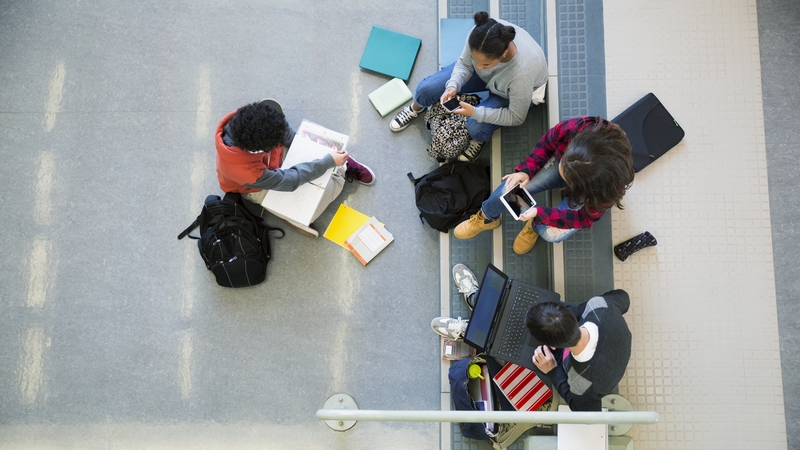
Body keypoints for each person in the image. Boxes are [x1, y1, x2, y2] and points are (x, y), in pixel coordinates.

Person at [454, 116, 635, 254]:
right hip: (579, 171)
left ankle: (534, 225)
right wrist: (526, 170)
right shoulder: (580, 128)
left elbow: (583, 219)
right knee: (510, 187)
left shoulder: (608, 190)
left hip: (588, 191)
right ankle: (486, 218)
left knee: (548, 233)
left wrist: (541, 214)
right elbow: (549, 141)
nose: (560, 169)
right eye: (564, 162)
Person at [390, 11, 548, 162]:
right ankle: (417, 108)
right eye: (476, 60)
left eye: (485, 63)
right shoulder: (479, 35)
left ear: (504, 53)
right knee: (426, 89)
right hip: (494, 79)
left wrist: (475, 112)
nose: (478, 67)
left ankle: (481, 138)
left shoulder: (522, 74)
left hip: (514, 92)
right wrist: (453, 85)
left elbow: (516, 116)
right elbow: (465, 64)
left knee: (475, 128)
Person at [215, 99, 375, 237]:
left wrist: (304, 148)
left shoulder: (248, 118)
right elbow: (289, 180)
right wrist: (326, 162)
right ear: (261, 150)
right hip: (255, 187)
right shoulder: (246, 172)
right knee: (310, 199)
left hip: (270, 163)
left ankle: (340, 161)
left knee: (312, 152)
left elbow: (286, 134)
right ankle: (297, 216)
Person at [525, 290, 631, 412]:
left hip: (591, 374)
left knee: (532, 360)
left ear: (552, 346)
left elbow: (587, 413)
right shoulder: (597, 305)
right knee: (549, 316)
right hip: (610, 339)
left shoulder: (580, 383)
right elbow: (624, 298)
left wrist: (553, 371)